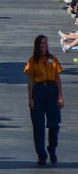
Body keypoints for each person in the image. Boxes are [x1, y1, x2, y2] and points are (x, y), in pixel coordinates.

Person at [24, 34, 64, 165]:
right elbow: (30, 82)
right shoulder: (32, 61)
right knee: (38, 125)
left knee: (54, 123)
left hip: (52, 91)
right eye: (41, 43)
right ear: (37, 46)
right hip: (39, 91)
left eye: (46, 43)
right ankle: (41, 154)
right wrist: (30, 99)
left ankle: (52, 148)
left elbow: (58, 79)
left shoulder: (53, 59)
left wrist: (60, 97)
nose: (44, 45)